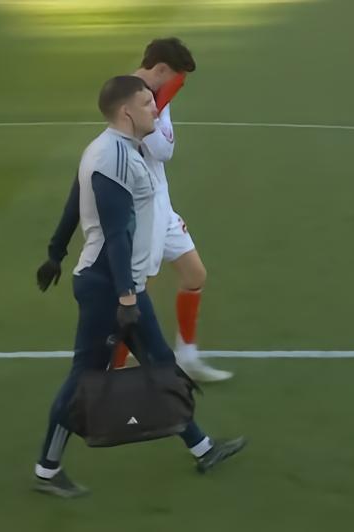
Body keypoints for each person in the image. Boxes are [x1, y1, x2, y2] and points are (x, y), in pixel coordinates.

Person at [34, 76, 246, 498]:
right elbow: (116, 234)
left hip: (119, 285)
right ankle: (47, 469)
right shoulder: (113, 157)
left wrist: (56, 252)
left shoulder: (115, 149)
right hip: (110, 288)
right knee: (85, 377)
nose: (156, 109)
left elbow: (75, 199)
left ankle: (203, 448)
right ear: (126, 112)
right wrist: (127, 299)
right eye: (148, 103)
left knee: (161, 364)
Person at [36, 37, 232, 382]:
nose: (180, 85)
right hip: (141, 210)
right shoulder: (136, 100)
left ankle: (186, 356)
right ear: (162, 69)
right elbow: (163, 149)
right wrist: (57, 250)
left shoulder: (154, 98)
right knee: (136, 292)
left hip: (161, 203)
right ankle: (115, 369)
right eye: (178, 78)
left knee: (194, 275)